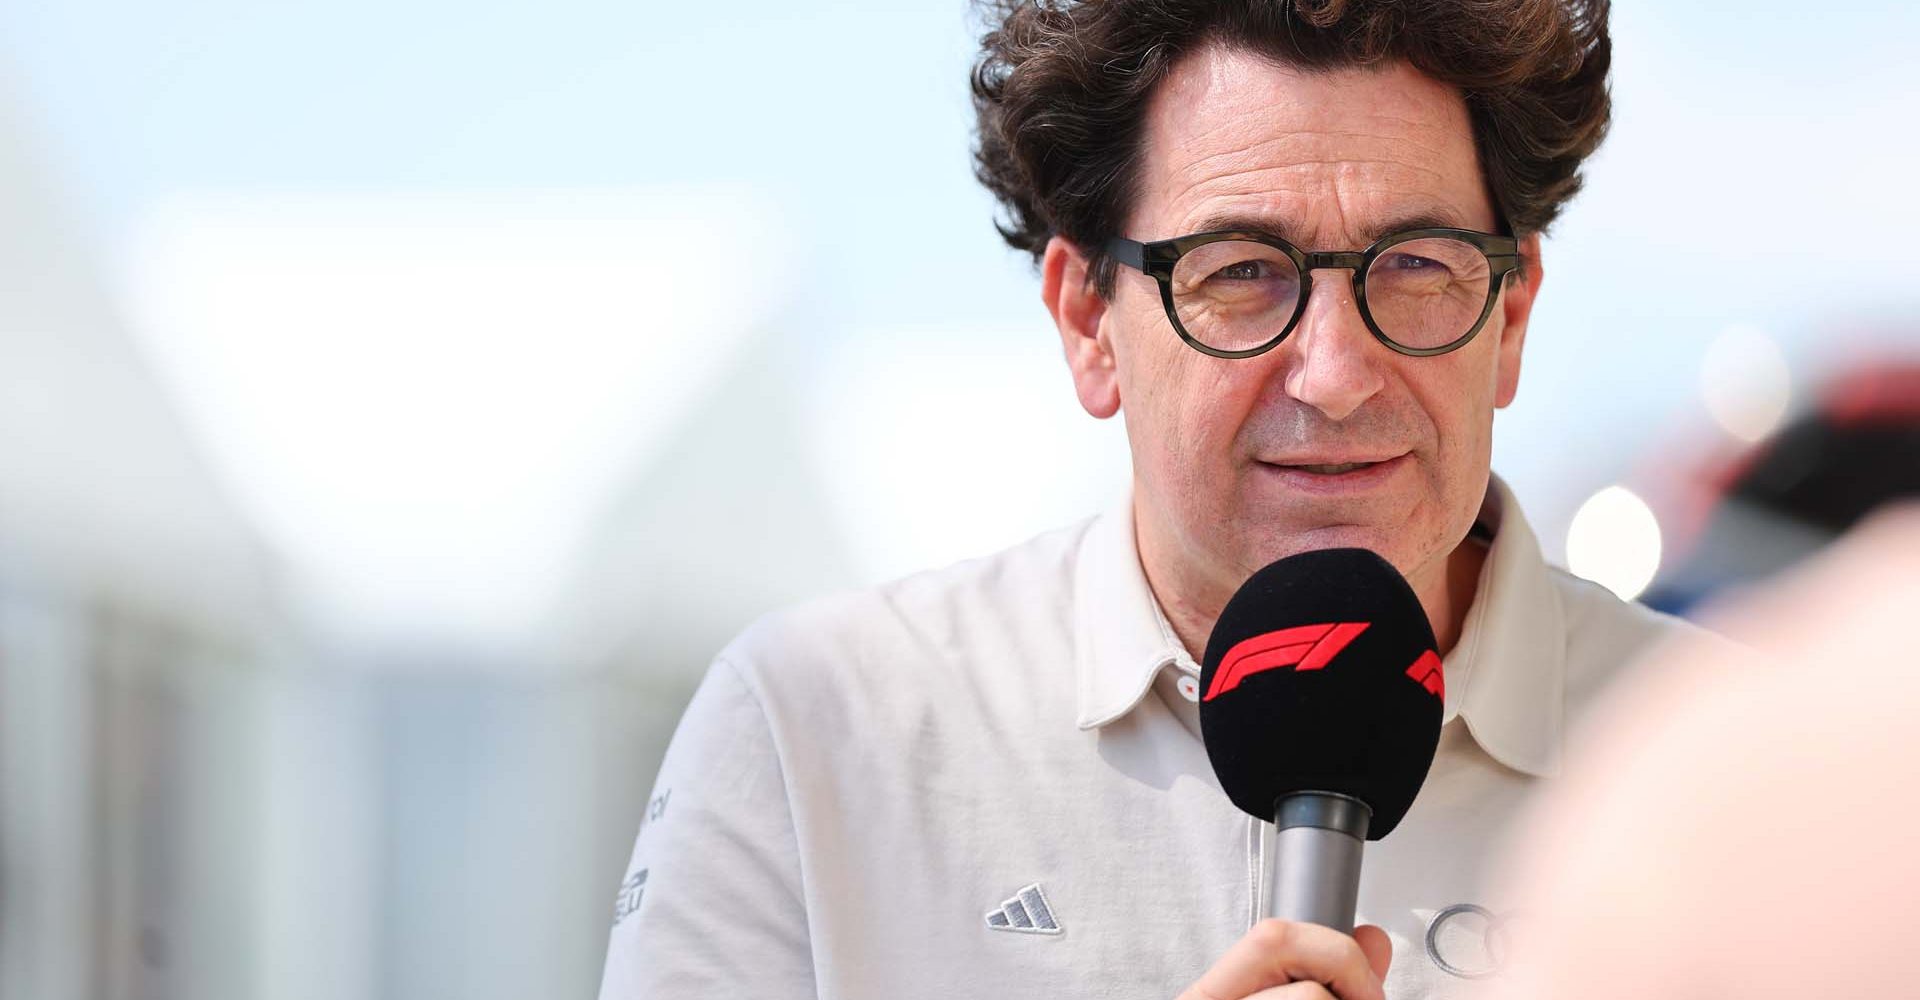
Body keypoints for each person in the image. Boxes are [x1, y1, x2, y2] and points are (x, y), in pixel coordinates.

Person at [597, 1, 1709, 996]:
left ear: (1508, 318)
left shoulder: (1749, 761)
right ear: (1088, 323)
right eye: (1239, 270)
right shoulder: (813, 732)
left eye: (1417, 267)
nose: (1334, 373)